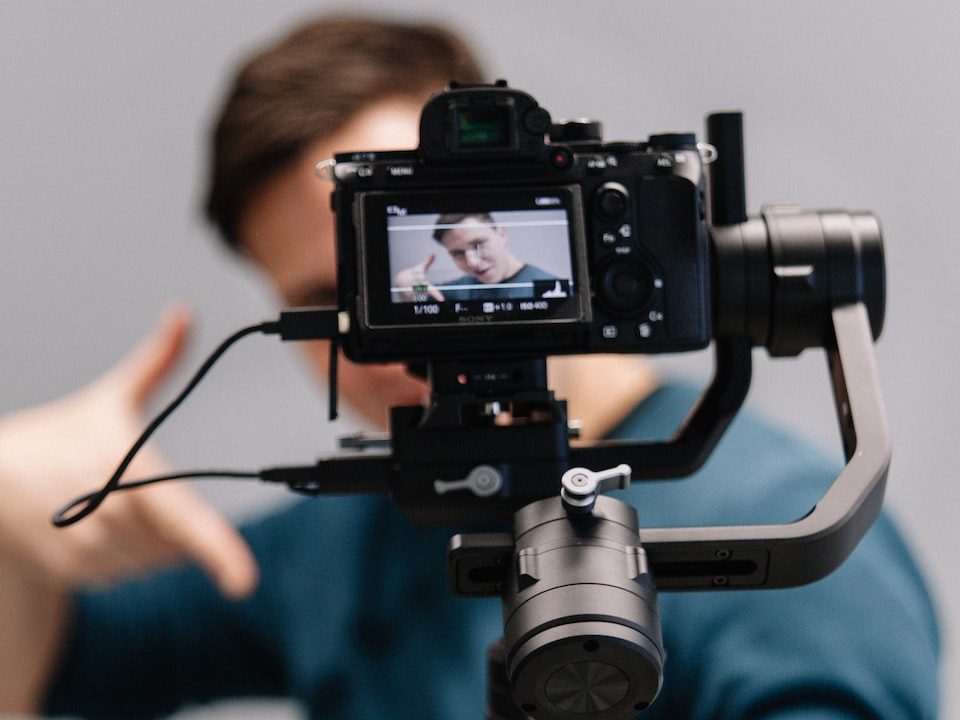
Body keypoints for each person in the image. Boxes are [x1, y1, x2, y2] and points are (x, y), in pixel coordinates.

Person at [0, 15, 940, 720]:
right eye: (346, 297)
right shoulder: (351, 539)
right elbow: (47, 666)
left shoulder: (781, 535)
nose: (405, 328)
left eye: (434, 254)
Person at [393, 212, 558, 302]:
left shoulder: (550, 288)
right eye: (457, 253)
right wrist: (406, 284)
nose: (472, 263)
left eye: (478, 245)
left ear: (501, 234)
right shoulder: (460, 290)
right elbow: (421, 289)